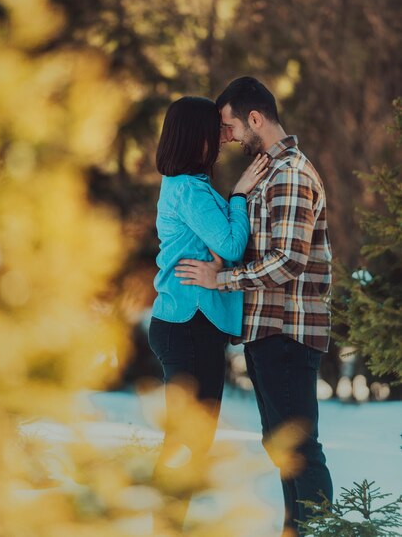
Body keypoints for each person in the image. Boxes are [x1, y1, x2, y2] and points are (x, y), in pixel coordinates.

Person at [175, 77, 333, 537]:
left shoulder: (290, 174)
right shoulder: (273, 171)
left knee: (299, 449)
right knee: (282, 445)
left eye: (229, 127)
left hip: (287, 331)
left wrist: (220, 279)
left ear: (255, 119)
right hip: (267, 330)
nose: (227, 137)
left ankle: (318, 532)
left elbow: (287, 260)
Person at [148, 95, 269, 528]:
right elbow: (232, 244)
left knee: (191, 441)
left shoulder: (190, 186)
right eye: (215, 130)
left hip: (191, 324)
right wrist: (239, 195)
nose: (223, 137)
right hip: (188, 324)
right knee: (187, 440)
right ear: (196, 136)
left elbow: (224, 250)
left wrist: (221, 264)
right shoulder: (189, 190)